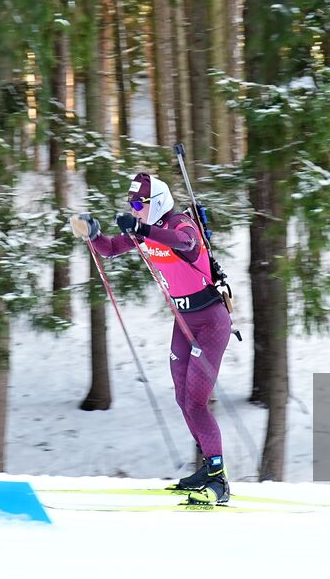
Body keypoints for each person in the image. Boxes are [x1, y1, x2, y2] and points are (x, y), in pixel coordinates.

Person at [70, 171, 233, 504]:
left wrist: (143, 229)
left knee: (197, 399)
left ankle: (219, 480)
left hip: (211, 322)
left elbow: (186, 243)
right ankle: (206, 467)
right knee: (183, 397)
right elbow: (111, 249)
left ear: (156, 203)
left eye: (137, 204)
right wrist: (94, 232)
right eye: (131, 204)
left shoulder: (179, 224)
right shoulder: (144, 231)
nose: (133, 210)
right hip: (184, 320)